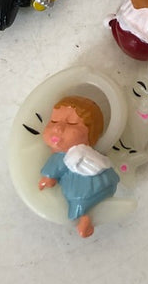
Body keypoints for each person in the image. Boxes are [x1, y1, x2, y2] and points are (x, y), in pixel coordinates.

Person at [38, 95, 119, 238]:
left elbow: (54, 169)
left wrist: (48, 178)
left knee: (75, 198)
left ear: (90, 136)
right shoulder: (82, 153)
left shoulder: (68, 154)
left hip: (87, 187)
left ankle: (83, 218)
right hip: (108, 182)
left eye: (72, 123)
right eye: (54, 121)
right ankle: (85, 217)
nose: (58, 128)